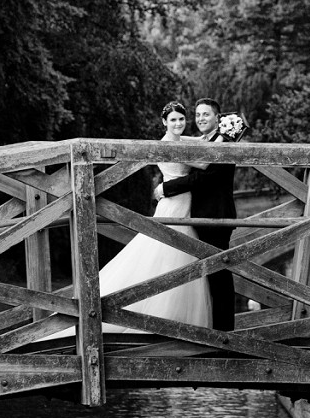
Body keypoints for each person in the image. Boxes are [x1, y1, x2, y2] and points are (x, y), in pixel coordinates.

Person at [46, 101, 212, 339]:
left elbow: (195, 142)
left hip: (183, 201)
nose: (178, 124)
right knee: (169, 254)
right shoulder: (167, 145)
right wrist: (218, 143)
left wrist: (217, 135)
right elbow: (205, 162)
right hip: (174, 203)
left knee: (183, 254)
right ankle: (158, 318)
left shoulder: (181, 141)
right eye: (173, 120)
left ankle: (179, 322)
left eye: (182, 119)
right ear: (164, 122)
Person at [154, 97, 237, 331]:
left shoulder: (223, 144)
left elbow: (204, 176)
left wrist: (165, 188)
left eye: (206, 114)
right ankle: (195, 324)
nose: (200, 118)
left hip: (216, 217)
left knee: (219, 274)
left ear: (217, 118)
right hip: (191, 213)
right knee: (187, 269)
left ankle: (224, 334)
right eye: (198, 114)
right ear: (165, 122)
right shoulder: (208, 141)